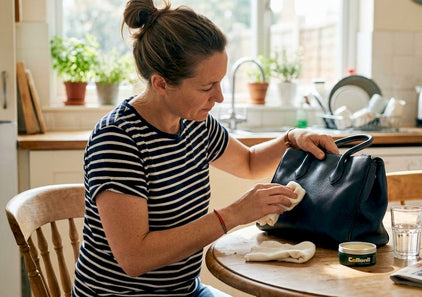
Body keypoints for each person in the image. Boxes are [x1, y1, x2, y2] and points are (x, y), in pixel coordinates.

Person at [72, 0, 339, 296]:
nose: (220, 97)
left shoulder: (195, 124)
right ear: (161, 84)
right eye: (206, 87)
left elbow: (249, 163)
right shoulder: (118, 139)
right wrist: (233, 215)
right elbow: (136, 257)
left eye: (221, 82)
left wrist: (292, 138)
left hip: (186, 291)